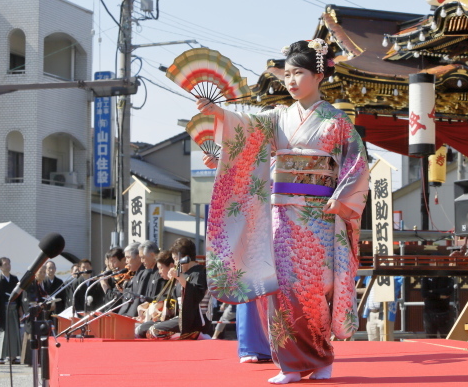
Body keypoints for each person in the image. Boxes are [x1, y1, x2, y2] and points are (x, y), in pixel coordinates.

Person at [197, 39, 369, 384]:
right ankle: (290, 364)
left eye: (298, 73)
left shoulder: (337, 121)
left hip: (318, 214)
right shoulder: (278, 117)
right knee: (283, 288)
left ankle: (321, 358)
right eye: (287, 74)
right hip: (281, 214)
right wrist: (218, 115)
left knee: (313, 287)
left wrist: (342, 195)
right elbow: (246, 132)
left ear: (319, 75)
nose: (290, 81)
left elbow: (358, 162)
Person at [146, 238, 208, 340]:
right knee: (142, 329)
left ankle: (195, 335)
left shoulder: (199, 272)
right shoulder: (183, 275)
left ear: (186, 258)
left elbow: (196, 294)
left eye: (175, 259)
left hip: (195, 319)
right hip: (180, 317)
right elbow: (174, 300)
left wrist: (180, 278)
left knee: (154, 331)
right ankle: (183, 336)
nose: (175, 263)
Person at [133, 251, 175, 338]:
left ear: (171, 266)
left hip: (171, 320)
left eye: (161, 268)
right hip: (162, 319)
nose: (159, 272)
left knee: (141, 329)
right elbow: (157, 298)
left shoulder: (177, 283)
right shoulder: (169, 283)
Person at [0, 256, 22, 365]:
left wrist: (20, 309)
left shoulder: (14, 279)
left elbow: (19, 295)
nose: (8, 266)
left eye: (9, 264)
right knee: (2, 333)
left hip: (13, 308)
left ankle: (13, 356)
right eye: (5, 264)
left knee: (14, 332)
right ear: (0, 267)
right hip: (2, 309)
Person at [118, 243, 147, 317]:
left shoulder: (144, 273)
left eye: (128, 257)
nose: (126, 262)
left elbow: (138, 300)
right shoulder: (136, 274)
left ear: (138, 257)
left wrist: (129, 316)